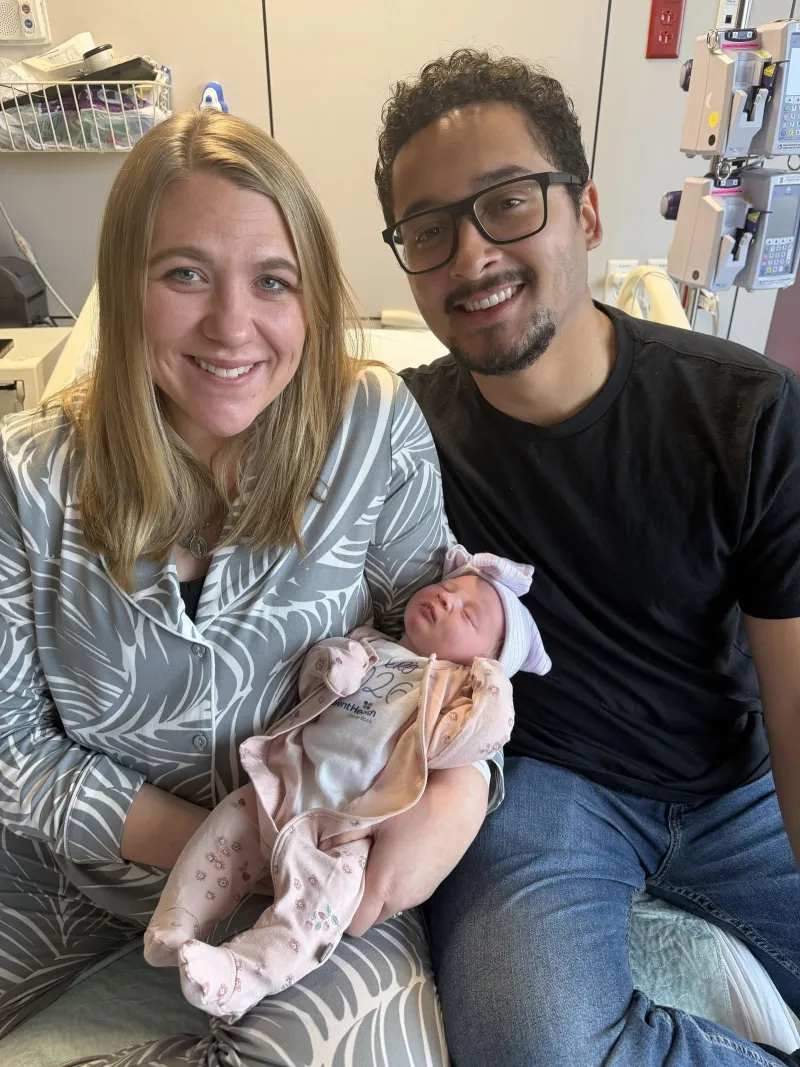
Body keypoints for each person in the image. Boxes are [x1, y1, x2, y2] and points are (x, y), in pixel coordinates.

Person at [0, 109, 499, 1067]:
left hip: (316, 881)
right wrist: (227, 850)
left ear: (310, 298)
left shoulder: (371, 430)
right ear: (123, 286)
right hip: (80, 873)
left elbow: (445, 645)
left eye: (273, 281)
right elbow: (17, 755)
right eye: (184, 273)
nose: (234, 326)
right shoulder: (27, 480)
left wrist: (465, 788)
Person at [373, 48, 800, 1067]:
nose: (470, 254)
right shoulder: (397, 438)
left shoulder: (742, 412)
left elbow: (791, 700)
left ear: (588, 214)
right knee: (532, 1045)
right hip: (548, 791)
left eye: (508, 203)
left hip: (733, 782)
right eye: (428, 229)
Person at [144, 546, 550, 1022]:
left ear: (488, 660)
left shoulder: (452, 695)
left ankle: (239, 976)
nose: (445, 600)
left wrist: (493, 685)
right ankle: (177, 922)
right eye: (447, 587)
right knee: (222, 834)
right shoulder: (371, 644)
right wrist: (335, 666)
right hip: (287, 784)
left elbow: (478, 740)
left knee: (315, 914)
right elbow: (312, 679)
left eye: (468, 613)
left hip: (345, 832)